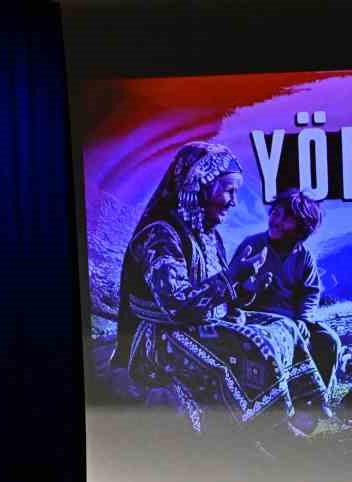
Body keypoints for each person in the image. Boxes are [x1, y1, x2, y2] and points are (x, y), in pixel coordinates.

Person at [111, 141, 329, 433]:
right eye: (228, 191)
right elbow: (177, 306)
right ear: (200, 187)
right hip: (160, 334)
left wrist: (247, 286)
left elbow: (223, 295)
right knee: (258, 345)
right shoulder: (159, 236)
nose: (233, 202)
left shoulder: (208, 234)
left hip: (202, 321)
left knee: (285, 327)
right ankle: (272, 427)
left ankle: (302, 410)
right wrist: (232, 276)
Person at [228, 186, 336, 376]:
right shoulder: (251, 246)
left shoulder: (304, 256)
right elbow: (231, 287)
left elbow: (310, 292)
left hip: (292, 319)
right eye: (276, 213)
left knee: (328, 341)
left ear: (302, 227)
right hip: (255, 318)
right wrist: (249, 288)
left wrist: (304, 319)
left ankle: (316, 392)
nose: (277, 221)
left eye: (286, 218)